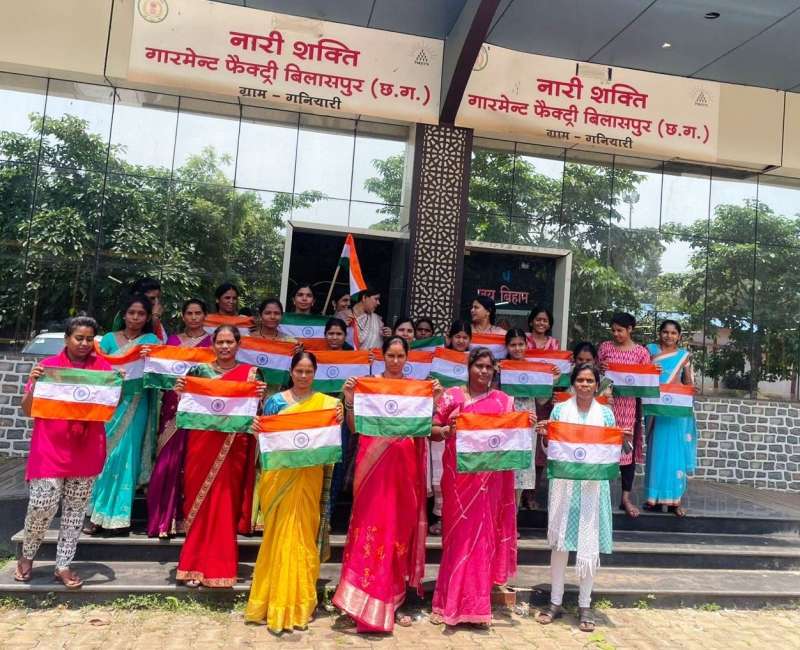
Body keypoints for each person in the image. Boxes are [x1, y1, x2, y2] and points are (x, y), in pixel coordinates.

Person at [333, 336, 442, 633]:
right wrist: (350, 399)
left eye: (400, 356)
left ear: (407, 358)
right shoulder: (370, 386)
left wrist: (432, 399)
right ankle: (358, 602)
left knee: (398, 533)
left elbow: (424, 427)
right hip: (372, 470)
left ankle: (394, 601)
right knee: (369, 529)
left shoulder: (415, 389)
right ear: (383, 356)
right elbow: (354, 428)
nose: (395, 361)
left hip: (404, 472)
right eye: (390, 355)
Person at [245, 352, 343, 631]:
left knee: (303, 537)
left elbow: (331, 440)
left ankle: (301, 602)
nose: (303, 376)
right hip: (279, 479)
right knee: (278, 536)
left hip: (309, 478)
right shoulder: (275, 402)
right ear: (291, 372)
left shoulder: (328, 405)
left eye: (308, 371)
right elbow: (265, 440)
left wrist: (340, 414)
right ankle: (271, 600)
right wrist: (256, 429)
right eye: (299, 371)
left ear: (315, 373)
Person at [15, 317, 113, 589]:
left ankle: (63, 565)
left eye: (89, 339)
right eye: (78, 338)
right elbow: (27, 410)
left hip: (86, 448)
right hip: (49, 448)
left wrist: (114, 385)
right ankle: (27, 555)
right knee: (42, 505)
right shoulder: (48, 367)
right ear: (67, 338)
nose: (84, 343)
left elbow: (109, 409)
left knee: (74, 512)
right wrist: (34, 384)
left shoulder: (102, 369)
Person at [429, 347, 520, 628]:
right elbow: (431, 429)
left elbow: (512, 438)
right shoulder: (452, 397)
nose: (483, 371)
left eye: (488, 367)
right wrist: (446, 431)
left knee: (482, 540)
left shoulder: (503, 402)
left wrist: (526, 426)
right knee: (457, 540)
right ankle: (446, 602)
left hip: (490, 483)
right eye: (479, 365)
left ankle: (476, 607)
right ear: (468, 367)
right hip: (458, 482)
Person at [175, 325, 266, 587]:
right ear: (213, 344)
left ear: (238, 344)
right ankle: (192, 565)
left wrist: (260, 397)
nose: (225, 347)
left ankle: (219, 568)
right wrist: (180, 392)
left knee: (225, 504)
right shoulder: (198, 372)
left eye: (230, 342)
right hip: (201, 444)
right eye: (220, 342)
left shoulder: (251, 373)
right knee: (198, 500)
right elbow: (188, 409)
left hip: (233, 446)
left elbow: (256, 414)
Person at [536, 363, 617, 633]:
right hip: (565, 486)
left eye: (589, 381)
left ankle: (585, 604)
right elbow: (552, 449)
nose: (584, 385)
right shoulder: (560, 410)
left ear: (597, 385)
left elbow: (610, 452)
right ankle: (555, 601)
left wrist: (621, 440)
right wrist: (545, 436)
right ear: (573, 383)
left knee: (588, 544)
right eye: (580, 380)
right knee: (560, 544)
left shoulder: (606, 415)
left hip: (594, 487)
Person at [85, 295, 160, 534]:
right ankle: (94, 514)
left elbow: (160, 374)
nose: (135, 318)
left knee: (126, 456)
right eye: (131, 313)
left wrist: (153, 356)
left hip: (136, 404)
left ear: (147, 318)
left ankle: (118, 517)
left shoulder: (151, 341)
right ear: (123, 314)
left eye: (141, 314)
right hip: (109, 405)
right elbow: (96, 371)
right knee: (105, 456)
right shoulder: (108, 339)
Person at [146, 299, 211, 538]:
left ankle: (188, 519)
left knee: (193, 462)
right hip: (172, 407)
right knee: (168, 463)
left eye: (198, 313)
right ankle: (164, 520)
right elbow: (161, 372)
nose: (194, 317)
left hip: (199, 410)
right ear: (183, 316)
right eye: (189, 313)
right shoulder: (172, 341)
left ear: (205, 316)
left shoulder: (213, 344)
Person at [597, 312, 650, 518]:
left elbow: (646, 381)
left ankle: (625, 497)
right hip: (606, 406)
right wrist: (600, 368)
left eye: (620, 330)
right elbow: (595, 376)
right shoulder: (605, 348)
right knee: (602, 448)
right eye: (613, 330)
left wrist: (652, 371)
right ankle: (599, 495)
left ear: (630, 329)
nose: (616, 334)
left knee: (627, 451)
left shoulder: (641, 353)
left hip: (629, 407)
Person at [644, 320, 697, 517]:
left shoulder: (683, 355)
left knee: (676, 455)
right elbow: (642, 375)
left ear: (679, 336)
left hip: (675, 409)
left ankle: (675, 501)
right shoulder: (650, 351)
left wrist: (690, 386)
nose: (669, 336)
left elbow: (688, 383)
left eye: (673, 333)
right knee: (657, 453)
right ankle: (653, 498)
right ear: (660, 333)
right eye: (665, 332)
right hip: (657, 407)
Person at [505, 328, 542, 510]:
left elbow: (542, 400)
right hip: (506, 423)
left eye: (521, 344)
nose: (517, 348)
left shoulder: (534, 370)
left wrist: (553, 379)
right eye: (513, 345)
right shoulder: (500, 367)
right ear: (507, 347)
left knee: (522, 469)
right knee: (505, 468)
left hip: (528, 422)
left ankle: (513, 518)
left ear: (526, 345)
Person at [132, 277, 168, 343]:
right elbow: (143, 340)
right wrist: (155, 316)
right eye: (152, 298)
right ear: (137, 295)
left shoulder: (152, 314)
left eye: (158, 298)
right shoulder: (128, 314)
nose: (156, 302)